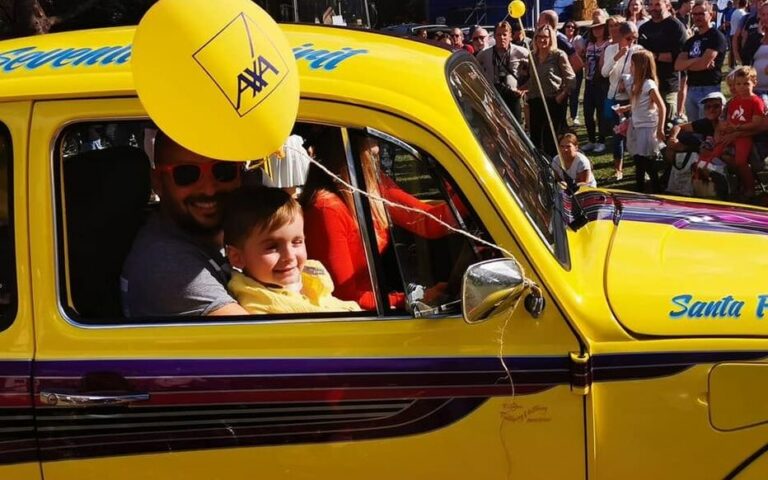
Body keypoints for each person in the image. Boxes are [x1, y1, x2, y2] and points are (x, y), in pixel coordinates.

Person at [300, 132, 457, 310]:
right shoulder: (326, 209)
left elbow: (429, 221)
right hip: (357, 317)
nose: (377, 147)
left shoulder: (369, 182)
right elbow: (345, 297)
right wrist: (408, 300)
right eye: (366, 135)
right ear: (343, 141)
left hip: (376, 304)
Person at [121, 131, 249, 317]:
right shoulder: (167, 266)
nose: (209, 189)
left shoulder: (206, 236)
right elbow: (272, 342)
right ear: (158, 182)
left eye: (223, 170)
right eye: (186, 174)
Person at [223, 186, 360, 314]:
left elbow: (329, 303)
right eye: (272, 247)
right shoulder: (257, 303)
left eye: (297, 242)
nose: (289, 256)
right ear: (237, 257)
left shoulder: (310, 277)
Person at [701, 66, 765, 198]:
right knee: (713, 154)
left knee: (740, 161)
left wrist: (736, 129)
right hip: (731, 134)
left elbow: (757, 123)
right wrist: (726, 128)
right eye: (738, 84)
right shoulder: (734, 101)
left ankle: (750, 188)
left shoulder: (757, 101)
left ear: (754, 83)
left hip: (744, 137)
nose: (742, 87)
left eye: (746, 84)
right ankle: (703, 179)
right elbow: (729, 120)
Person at [618, 50, 667, 193]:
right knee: (639, 160)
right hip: (637, 125)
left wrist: (660, 128)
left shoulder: (648, 84)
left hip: (647, 127)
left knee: (644, 161)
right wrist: (625, 108)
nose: (630, 68)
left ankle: (652, 188)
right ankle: (641, 188)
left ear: (640, 67)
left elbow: (662, 106)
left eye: (632, 65)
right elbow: (639, 103)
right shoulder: (636, 84)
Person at [528, 24, 576, 158]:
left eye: (545, 37)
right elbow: (532, 79)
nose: (542, 40)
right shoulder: (531, 56)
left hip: (553, 101)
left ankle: (555, 165)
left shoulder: (558, 55)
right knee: (536, 138)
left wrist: (562, 95)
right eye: (539, 37)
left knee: (552, 139)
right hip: (535, 101)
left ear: (551, 38)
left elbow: (571, 78)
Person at [674, 1, 727, 121]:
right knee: (695, 128)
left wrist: (689, 64)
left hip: (709, 88)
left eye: (701, 14)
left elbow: (704, 64)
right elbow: (678, 65)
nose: (697, 17)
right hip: (691, 89)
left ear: (710, 14)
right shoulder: (691, 40)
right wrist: (698, 60)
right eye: (694, 14)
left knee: (708, 127)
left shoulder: (716, 37)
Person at [602, 21, 641, 180]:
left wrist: (628, 83)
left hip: (632, 99)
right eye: (628, 38)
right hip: (615, 98)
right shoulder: (611, 49)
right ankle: (618, 169)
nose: (631, 42)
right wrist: (617, 56)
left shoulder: (639, 51)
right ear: (620, 36)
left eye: (634, 38)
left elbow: (642, 73)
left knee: (635, 134)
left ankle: (640, 168)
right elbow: (604, 73)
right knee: (617, 135)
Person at [639, 0, 688, 122]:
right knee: (649, 121)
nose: (653, 8)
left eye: (657, 4)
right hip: (647, 81)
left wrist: (653, 55)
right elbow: (640, 54)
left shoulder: (676, 26)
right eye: (651, 5)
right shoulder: (644, 28)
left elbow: (679, 57)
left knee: (667, 122)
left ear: (667, 5)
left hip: (668, 82)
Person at [477, 20, 529, 123]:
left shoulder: (521, 52)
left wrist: (525, 88)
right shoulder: (484, 54)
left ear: (510, 36)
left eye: (505, 34)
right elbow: (474, 69)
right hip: (493, 97)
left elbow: (535, 71)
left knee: (516, 128)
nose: (502, 38)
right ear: (494, 36)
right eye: (498, 34)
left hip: (513, 97)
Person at [582, 12, 611, 154]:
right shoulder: (589, 43)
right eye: (594, 28)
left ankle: (601, 140)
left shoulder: (609, 43)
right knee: (587, 111)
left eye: (600, 27)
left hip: (602, 82)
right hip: (589, 81)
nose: (597, 30)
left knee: (601, 112)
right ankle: (591, 139)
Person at [562, 20, 585, 126]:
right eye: (568, 26)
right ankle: (563, 119)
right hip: (563, 70)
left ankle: (574, 116)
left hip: (576, 70)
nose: (570, 28)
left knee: (574, 94)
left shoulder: (579, 39)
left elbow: (580, 52)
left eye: (572, 27)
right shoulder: (561, 39)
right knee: (563, 94)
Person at [732, 0, 761, 66]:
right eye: (753, 2)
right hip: (748, 59)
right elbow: (737, 38)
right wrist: (737, 56)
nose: (756, 4)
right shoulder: (746, 18)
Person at [729, 0, 748, 67]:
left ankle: (731, 65)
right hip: (738, 34)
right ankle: (739, 64)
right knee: (739, 50)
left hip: (732, 33)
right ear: (746, 4)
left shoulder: (734, 12)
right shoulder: (743, 14)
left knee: (732, 51)